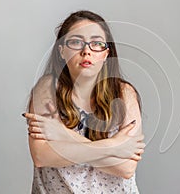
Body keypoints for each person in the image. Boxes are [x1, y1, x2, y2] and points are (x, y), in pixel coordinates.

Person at [22, 10, 145, 194]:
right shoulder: (46, 89)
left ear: (105, 54)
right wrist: (113, 146)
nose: (86, 50)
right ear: (61, 51)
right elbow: (41, 155)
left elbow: (126, 167)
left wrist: (62, 134)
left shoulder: (124, 93)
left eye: (96, 43)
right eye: (76, 42)